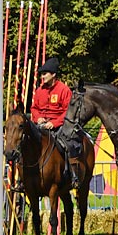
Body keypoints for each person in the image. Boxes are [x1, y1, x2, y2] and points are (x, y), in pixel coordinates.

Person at [30, 57, 80, 188]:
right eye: (41, 74)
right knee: (25, 143)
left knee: (69, 145)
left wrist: (54, 122)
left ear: (53, 74)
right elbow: (34, 108)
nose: (42, 76)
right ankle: (23, 180)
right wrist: (38, 118)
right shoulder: (39, 90)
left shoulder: (64, 90)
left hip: (59, 126)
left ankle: (74, 176)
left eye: (45, 74)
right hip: (40, 126)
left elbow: (69, 111)